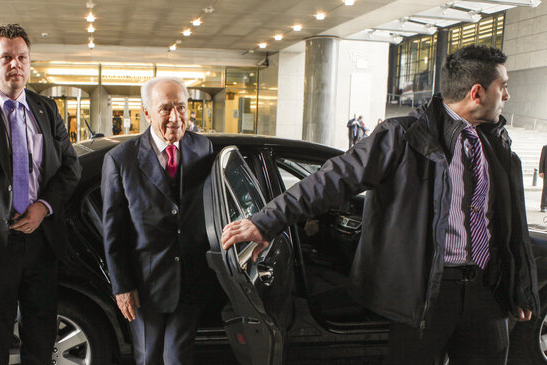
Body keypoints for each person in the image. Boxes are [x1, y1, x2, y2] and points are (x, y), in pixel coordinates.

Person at [221, 45, 539, 364]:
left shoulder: (494, 144)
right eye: (504, 86)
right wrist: (265, 221)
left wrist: (521, 287)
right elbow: (332, 179)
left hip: (487, 291)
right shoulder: (403, 136)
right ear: (477, 92)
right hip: (427, 292)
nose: (507, 96)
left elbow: (512, 223)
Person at [0, 24, 81, 365]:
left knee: (40, 338)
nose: (16, 65)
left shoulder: (46, 109)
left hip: (42, 242)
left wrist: (43, 207)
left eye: (22, 57)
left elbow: (70, 168)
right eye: (6, 57)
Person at [102, 77, 215, 365]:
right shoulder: (121, 159)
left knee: (178, 358)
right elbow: (113, 230)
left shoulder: (204, 148)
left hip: (189, 279)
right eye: (165, 109)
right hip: (144, 285)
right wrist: (122, 286)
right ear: (147, 113)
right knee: (149, 358)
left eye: (181, 107)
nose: (175, 117)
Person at [540, 145, 547, 212]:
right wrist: (541, 171)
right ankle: (543, 206)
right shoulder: (545, 148)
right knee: (545, 189)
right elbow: (542, 159)